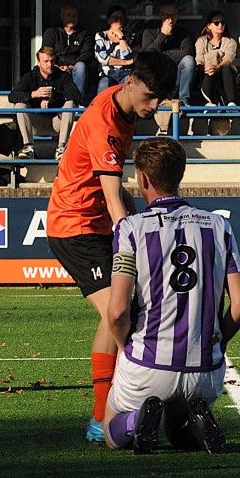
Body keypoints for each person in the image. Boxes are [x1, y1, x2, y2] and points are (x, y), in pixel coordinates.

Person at [46, 51, 178, 445]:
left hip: (95, 224)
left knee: (121, 314)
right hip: (75, 227)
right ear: (132, 81)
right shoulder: (106, 123)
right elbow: (112, 198)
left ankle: (109, 412)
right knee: (119, 315)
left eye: (160, 99)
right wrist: (137, 238)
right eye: (151, 96)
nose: (153, 106)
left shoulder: (123, 110)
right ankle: (107, 416)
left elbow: (119, 192)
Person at [104, 137, 240, 453]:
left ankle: (137, 420)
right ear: (180, 175)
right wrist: (219, 342)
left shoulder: (130, 229)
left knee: (110, 433)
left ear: (143, 179)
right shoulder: (219, 226)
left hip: (148, 365)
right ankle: (191, 420)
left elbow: (117, 312)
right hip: (205, 371)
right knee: (177, 429)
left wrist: (121, 346)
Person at [8, 46, 82, 160]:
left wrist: (55, 97)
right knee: (19, 105)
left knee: (70, 104)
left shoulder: (63, 76)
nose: (50, 64)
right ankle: (28, 148)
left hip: (57, 122)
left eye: (52, 61)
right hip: (35, 123)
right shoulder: (30, 77)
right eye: (46, 61)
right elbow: (12, 96)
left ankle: (61, 148)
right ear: (38, 62)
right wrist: (33, 95)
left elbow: (76, 95)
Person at [141, 2, 196, 135]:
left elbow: (186, 53)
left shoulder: (184, 33)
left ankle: (184, 100)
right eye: (166, 15)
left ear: (177, 16)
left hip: (177, 76)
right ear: (160, 16)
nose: (170, 19)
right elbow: (146, 55)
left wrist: (161, 55)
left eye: (173, 15)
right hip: (158, 79)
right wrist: (163, 35)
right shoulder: (149, 32)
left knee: (189, 61)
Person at [195, 10, 239, 136]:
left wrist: (217, 65)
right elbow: (199, 59)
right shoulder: (201, 41)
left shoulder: (230, 41)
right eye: (216, 22)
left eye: (222, 23)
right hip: (207, 74)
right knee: (209, 71)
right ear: (209, 25)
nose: (220, 25)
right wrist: (210, 66)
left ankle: (231, 104)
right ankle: (209, 103)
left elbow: (229, 58)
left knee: (226, 68)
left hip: (225, 76)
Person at [42, 4, 96, 103]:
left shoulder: (84, 34)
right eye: (69, 15)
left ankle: (76, 102)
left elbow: (87, 54)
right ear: (62, 16)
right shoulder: (52, 32)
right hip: (56, 67)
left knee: (81, 66)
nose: (72, 18)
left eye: (75, 15)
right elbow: (47, 51)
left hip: (75, 68)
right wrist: (56, 65)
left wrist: (71, 66)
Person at [94, 6, 135, 94]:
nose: (118, 20)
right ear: (109, 20)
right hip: (107, 74)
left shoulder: (130, 36)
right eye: (115, 17)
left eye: (121, 17)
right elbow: (102, 59)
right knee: (103, 85)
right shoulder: (101, 35)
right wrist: (126, 62)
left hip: (126, 74)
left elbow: (128, 56)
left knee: (131, 86)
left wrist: (121, 38)